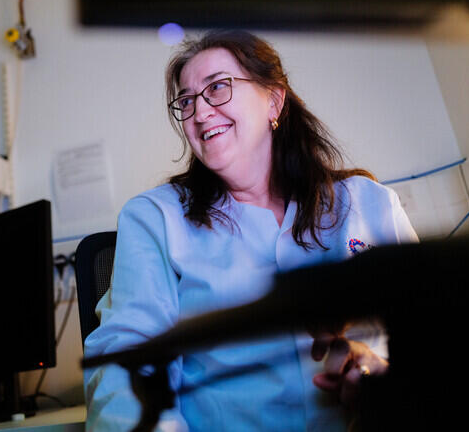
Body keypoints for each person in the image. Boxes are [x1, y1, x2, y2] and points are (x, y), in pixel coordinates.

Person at [83, 30, 417, 431]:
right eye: (186, 101)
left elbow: (441, 346)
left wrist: (383, 380)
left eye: (217, 87)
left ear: (274, 100)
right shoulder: (156, 217)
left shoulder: (368, 203)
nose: (200, 113)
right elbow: (126, 367)